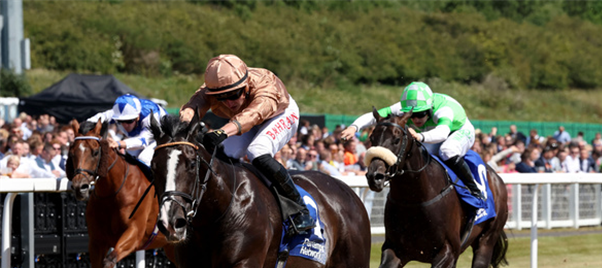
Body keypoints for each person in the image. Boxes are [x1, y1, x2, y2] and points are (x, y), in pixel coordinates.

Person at [179, 54, 315, 233]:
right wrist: (183, 124)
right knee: (222, 154)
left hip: (279, 114)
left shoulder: (265, 85)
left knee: (257, 151)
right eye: (221, 98)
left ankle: (299, 209)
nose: (229, 102)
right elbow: (193, 106)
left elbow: (254, 115)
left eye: (234, 95)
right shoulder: (213, 87)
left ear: (246, 86)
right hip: (243, 120)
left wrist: (222, 132)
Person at [340, 81, 485, 202]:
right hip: (432, 133)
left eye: (420, 114)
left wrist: (420, 137)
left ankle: (474, 189)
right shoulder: (405, 106)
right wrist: (354, 127)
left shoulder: (444, 110)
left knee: (447, 151)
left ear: (430, 108)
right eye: (413, 115)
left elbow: (442, 133)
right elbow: (375, 116)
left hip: (458, 131)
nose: (416, 119)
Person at [87, 94, 167, 168]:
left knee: (144, 158)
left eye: (129, 121)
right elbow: (97, 118)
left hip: (162, 137)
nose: (125, 125)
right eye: (120, 121)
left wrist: (118, 143)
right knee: (129, 157)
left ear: (138, 116)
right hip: (141, 136)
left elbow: (143, 141)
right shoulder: (116, 113)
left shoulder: (149, 116)